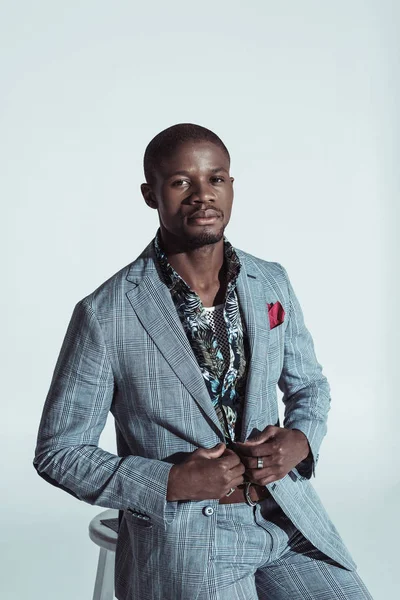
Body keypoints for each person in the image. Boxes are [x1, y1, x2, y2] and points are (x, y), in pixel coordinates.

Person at [33, 123, 373, 600]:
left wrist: (300, 440)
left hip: (286, 519)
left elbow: (310, 387)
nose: (201, 196)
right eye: (180, 182)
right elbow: (59, 452)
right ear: (150, 194)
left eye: (215, 179)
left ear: (231, 186)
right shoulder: (106, 313)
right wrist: (171, 481)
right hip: (190, 540)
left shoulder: (270, 282)